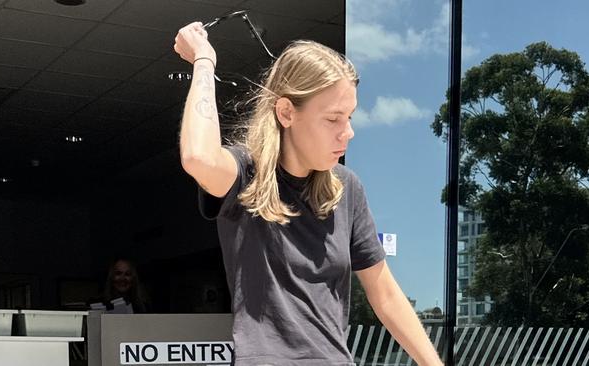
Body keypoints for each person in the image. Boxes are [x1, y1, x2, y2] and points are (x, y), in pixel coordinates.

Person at [173, 21, 444, 366]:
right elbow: (198, 156)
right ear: (286, 112)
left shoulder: (346, 188)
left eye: (349, 117)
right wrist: (204, 61)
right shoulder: (245, 175)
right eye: (333, 119)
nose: (348, 133)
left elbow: (386, 295)